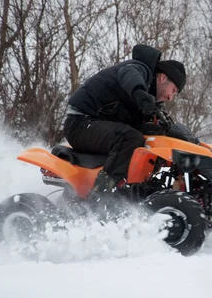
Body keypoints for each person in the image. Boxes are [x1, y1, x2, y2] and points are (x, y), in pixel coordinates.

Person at [63, 44, 186, 195]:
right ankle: (103, 194)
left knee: (150, 140)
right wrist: (139, 92)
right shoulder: (140, 70)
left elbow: (131, 122)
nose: (170, 97)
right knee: (129, 138)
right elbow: (129, 74)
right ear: (163, 78)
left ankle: (139, 192)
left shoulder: (147, 101)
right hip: (80, 122)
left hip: (96, 124)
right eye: (173, 90)